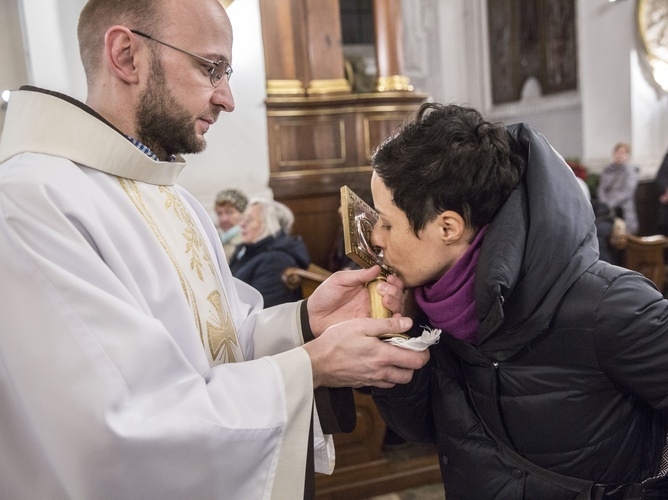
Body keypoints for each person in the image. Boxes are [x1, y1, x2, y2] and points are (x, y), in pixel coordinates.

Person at [0, 0, 429, 498]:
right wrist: (309, 366)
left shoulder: (172, 196)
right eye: (211, 68)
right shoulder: (31, 202)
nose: (226, 98)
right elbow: (118, 428)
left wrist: (306, 322)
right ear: (125, 55)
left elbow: (212, 352)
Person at [367, 103, 668, 499]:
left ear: (448, 227)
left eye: (386, 222)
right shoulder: (434, 302)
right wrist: (398, 337)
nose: (376, 237)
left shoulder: (608, 306)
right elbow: (426, 429)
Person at [230, 198, 311, 307]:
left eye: (249, 219)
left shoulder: (276, 261)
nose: (241, 224)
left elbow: (263, 309)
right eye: (243, 219)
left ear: (269, 224)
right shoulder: (248, 250)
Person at [597, 142, 640, 234]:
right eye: (618, 152)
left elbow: (627, 191)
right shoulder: (608, 170)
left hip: (623, 209)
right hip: (607, 209)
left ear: (627, 155)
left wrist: (611, 203)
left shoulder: (630, 171)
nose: (620, 155)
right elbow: (602, 188)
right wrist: (605, 203)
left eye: (623, 153)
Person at [214, 187, 248, 261]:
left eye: (229, 212)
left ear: (243, 214)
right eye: (219, 213)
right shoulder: (216, 242)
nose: (224, 219)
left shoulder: (246, 244)